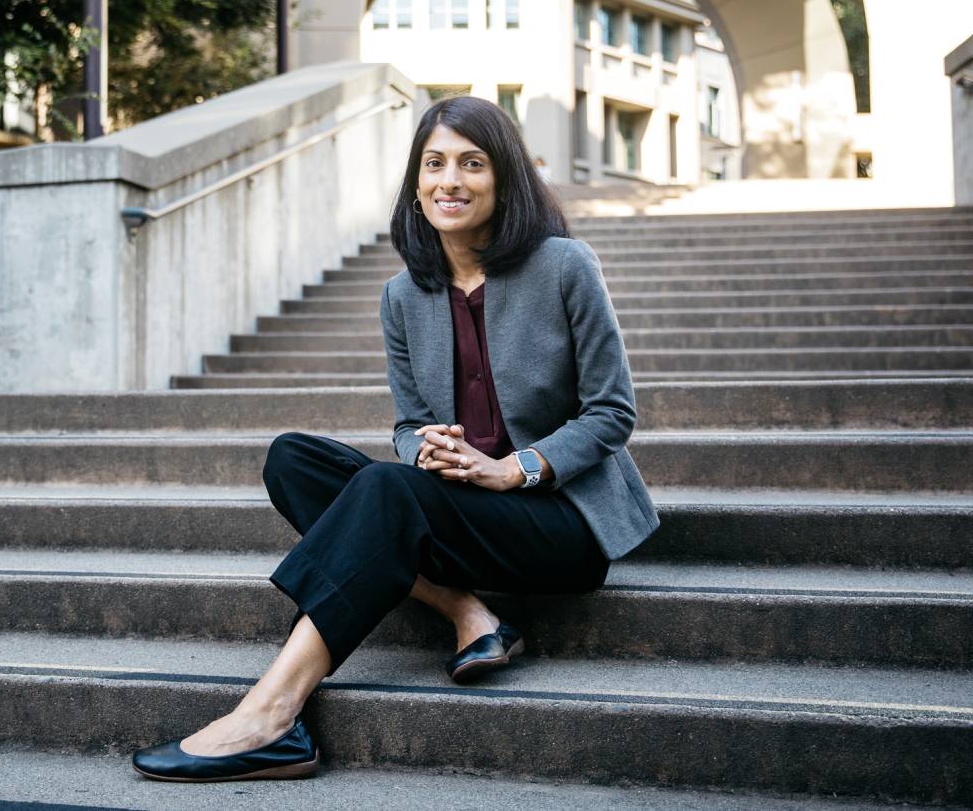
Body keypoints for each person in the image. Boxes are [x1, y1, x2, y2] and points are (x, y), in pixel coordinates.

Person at [130, 95, 658, 783]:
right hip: (461, 508)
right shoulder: (402, 296)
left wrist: (515, 468)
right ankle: (466, 608)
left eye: (473, 164)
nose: (451, 181)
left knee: (381, 490)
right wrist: (426, 449)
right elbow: (408, 424)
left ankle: (272, 713)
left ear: (503, 180)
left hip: (561, 522)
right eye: (434, 163)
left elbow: (612, 411)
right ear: (416, 181)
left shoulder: (564, 266)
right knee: (295, 459)